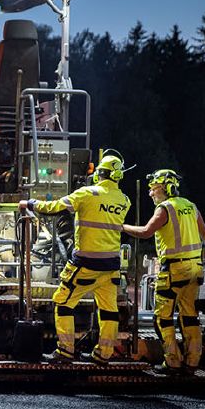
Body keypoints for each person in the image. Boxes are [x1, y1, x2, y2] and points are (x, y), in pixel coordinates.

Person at [19, 151, 132, 364]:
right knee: (109, 310)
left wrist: (30, 203)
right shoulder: (124, 201)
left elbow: (53, 208)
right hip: (111, 266)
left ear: (100, 173)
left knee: (62, 302)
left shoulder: (86, 193)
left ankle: (65, 351)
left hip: (86, 263)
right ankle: (103, 354)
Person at [123, 169, 205, 375]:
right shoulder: (190, 206)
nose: (151, 193)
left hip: (173, 271)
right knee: (189, 315)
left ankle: (172, 362)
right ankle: (192, 362)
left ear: (165, 188)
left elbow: (145, 232)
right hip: (195, 270)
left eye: (154, 189)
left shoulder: (164, 209)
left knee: (162, 318)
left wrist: (122, 227)